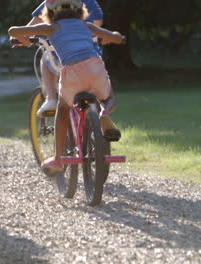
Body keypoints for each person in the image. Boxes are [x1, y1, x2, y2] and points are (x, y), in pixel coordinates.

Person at [8, 0, 125, 172]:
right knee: (108, 98)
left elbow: (13, 31)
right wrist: (117, 38)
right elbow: (114, 36)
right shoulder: (87, 26)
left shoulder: (50, 28)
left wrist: (23, 39)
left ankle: (57, 159)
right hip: (95, 67)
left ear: (50, 13)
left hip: (72, 73)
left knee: (62, 109)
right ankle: (104, 112)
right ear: (80, 11)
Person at [28, 0, 104, 117]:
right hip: (92, 58)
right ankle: (101, 120)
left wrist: (23, 38)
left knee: (46, 58)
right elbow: (98, 21)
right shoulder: (89, 1)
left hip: (63, 58)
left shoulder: (52, 2)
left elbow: (35, 22)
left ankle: (51, 99)